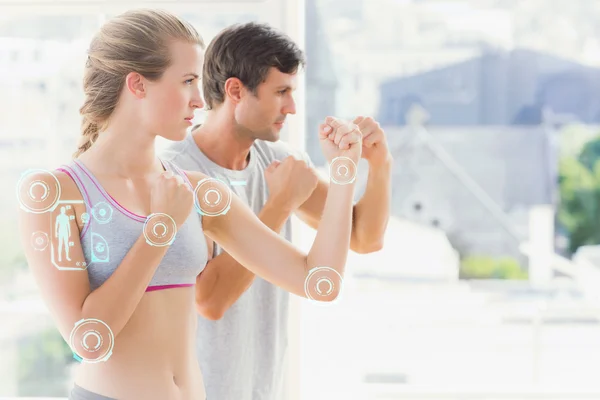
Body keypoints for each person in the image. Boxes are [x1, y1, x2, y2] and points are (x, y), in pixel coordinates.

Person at [17, 9, 362, 400]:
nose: (200, 100)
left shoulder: (196, 192)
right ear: (138, 85)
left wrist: (344, 172)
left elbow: (318, 281)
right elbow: (89, 339)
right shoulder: (58, 196)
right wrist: (160, 228)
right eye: (187, 81)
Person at [159, 22, 392, 400]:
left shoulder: (282, 163)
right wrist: (281, 203)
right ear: (235, 90)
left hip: (265, 388)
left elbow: (364, 238)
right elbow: (210, 300)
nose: (292, 107)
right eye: (281, 91)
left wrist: (379, 166)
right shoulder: (177, 174)